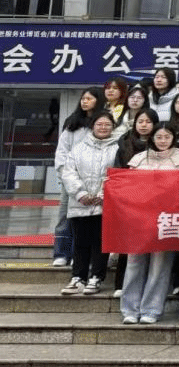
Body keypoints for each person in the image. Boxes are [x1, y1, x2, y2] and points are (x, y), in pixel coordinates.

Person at [121, 122, 179, 324]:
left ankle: (151, 310)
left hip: (166, 220)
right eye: (159, 137)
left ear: (173, 138)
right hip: (139, 220)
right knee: (134, 264)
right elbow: (127, 187)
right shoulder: (139, 159)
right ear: (152, 138)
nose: (162, 141)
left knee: (160, 267)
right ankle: (129, 310)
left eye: (167, 137)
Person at [58, 110, 117, 298]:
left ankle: (96, 277)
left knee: (101, 242)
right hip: (80, 203)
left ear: (113, 127)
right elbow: (68, 172)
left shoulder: (117, 148)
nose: (103, 127)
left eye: (107, 124)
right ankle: (78, 277)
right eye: (99, 124)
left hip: (105, 203)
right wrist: (80, 193)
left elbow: (117, 174)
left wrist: (103, 194)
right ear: (92, 126)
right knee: (81, 242)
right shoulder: (78, 148)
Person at [51, 88, 107, 268]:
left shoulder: (102, 124)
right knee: (64, 217)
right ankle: (61, 253)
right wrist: (65, 175)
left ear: (98, 100)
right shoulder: (72, 124)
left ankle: (80, 255)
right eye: (83, 98)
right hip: (70, 180)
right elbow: (62, 152)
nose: (85, 101)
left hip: (94, 181)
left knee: (86, 221)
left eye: (89, 98)